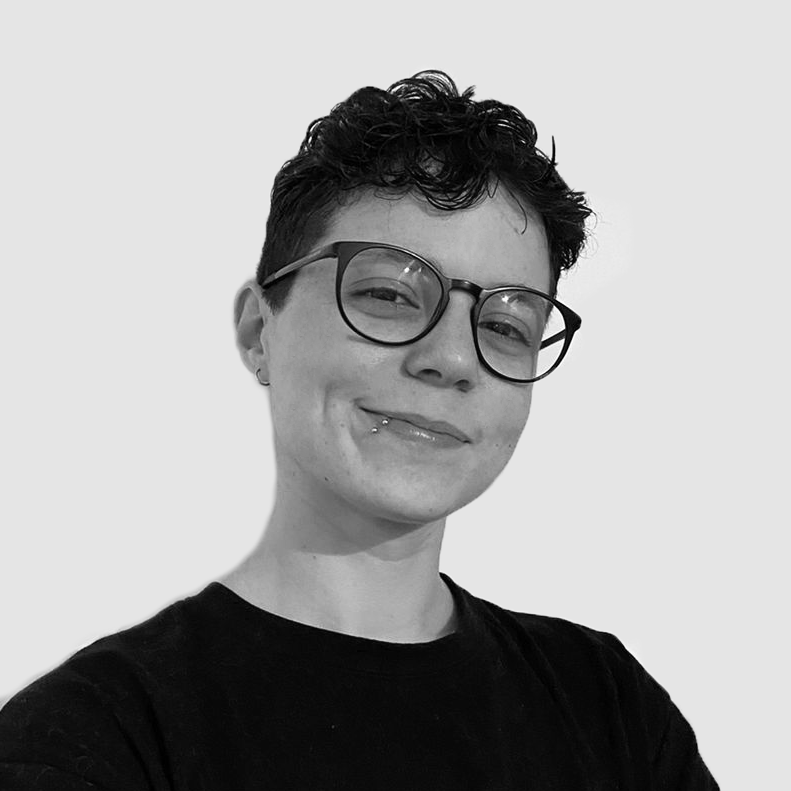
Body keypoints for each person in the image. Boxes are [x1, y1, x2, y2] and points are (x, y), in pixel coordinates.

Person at [0, 70, 718, 789]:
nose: (451, 358)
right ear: (258, 331)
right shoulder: (97, 737)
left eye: (505, 325)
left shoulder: (610, 710)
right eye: (388, 295)